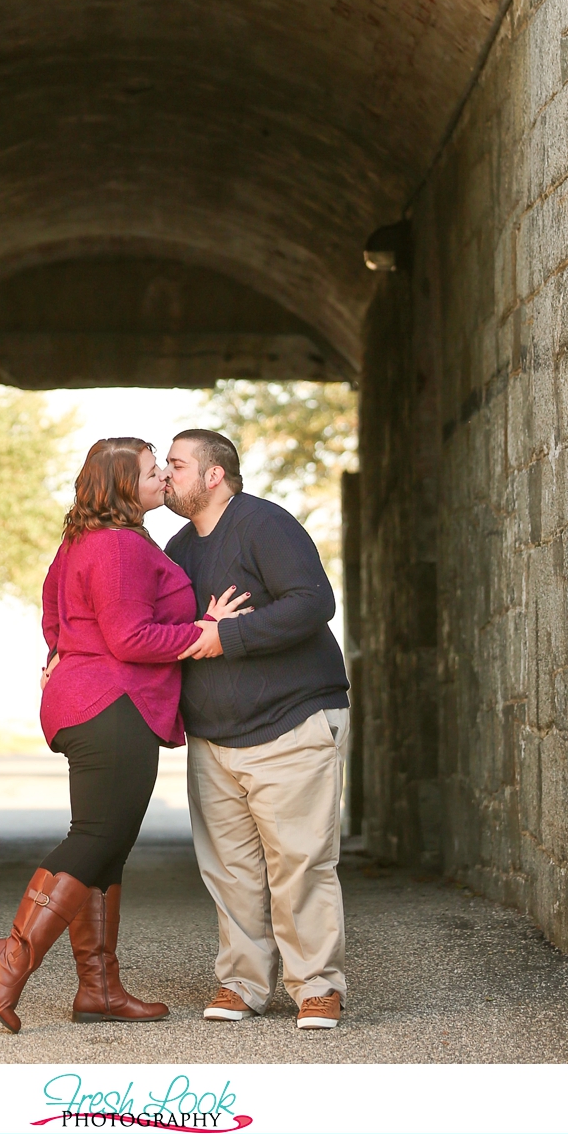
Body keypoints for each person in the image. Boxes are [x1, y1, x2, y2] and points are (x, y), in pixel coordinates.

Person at [0, 436, 250, 1033]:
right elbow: (130, 637)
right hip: (114, 703)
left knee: (108, 843)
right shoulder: (121, 548)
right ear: (126, 486)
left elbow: (54, 617)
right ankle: (15, 954)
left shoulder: (80, 542)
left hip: (88, 701)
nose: (162, 480)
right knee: (98, 835)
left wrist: (61, 653)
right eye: (153, 473)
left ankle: (99, 990)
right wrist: (205, 630)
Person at [164, 428, 351, 1032]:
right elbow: (152, 627)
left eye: (176, 465)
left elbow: (311, 601)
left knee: (300, 863)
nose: (167, 476)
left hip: (292, 723)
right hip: (214, 738)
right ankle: (243, 982)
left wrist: (226, 636)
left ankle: (316, 988)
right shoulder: (176, 548)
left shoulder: (265, 524)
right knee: (230, 872)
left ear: (213, 475)